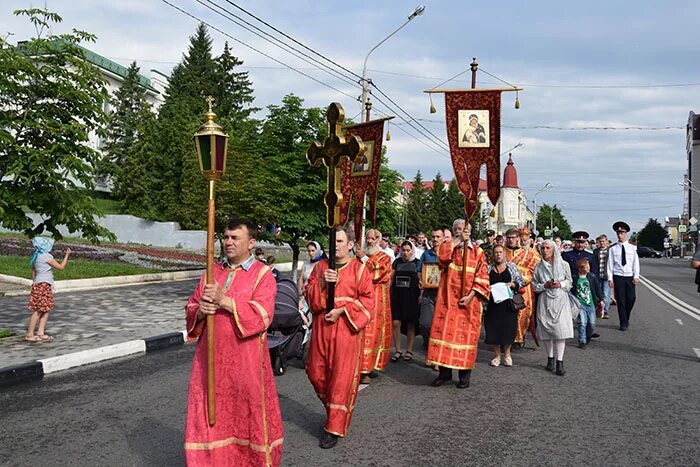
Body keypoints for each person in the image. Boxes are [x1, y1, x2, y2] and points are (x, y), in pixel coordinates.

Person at [184, 218, 283, 466]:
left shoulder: (263, 275)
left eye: (234, 238)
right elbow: (191, 306)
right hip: (210, 362)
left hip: (246, 363)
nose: (228, 242)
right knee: (208, 416)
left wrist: (223, 300)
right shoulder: (212, 271)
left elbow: (262, 316)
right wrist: (200, 311)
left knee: (244, 416)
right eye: (226, 237)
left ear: (250, 243)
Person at [305, 226, 374, 449]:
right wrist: (323, 283)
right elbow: (310, 297)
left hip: (345, 331)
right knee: (316, 373)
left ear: (351, 244)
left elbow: (369, 304)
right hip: (321, 330)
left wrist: (343, 309)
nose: (336, 246)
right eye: (333, 241)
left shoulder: (360, 270)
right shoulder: (320, 267)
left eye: (341, 241)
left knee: (340, 380)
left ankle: (333, 427)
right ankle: (335, 411)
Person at [426, 221, 490, 389]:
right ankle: (444, 374)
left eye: (463, 230)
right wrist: (456, 241)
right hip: (447, 301)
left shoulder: (478, 252)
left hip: (469, 303)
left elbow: (482, 278)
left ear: (470, 232)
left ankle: (464, 376)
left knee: (466, 338)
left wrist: (470, 296)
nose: (460, 233)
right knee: (444, 335)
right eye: (457, 230)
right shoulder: (449, 247)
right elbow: (441, 259)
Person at [355, 229, 393, 384]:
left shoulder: (385, 257)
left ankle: (368, 369)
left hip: (377, 302)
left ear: (378, 240)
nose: (369, 241)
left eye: (372, 239)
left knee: (373, 336)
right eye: (368, 238)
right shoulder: (359, 258)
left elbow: (379, 273)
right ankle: (360, 368)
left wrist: (364, 258)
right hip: (360, 300)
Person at [532, 239, 574, 376]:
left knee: (560, 331)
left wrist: (560, 284)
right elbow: (534, 285)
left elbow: (569, 282)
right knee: (547, 331)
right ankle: (550, 358)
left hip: (560, 300)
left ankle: (560, 362)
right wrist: (545, 285)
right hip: (545, 301)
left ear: (554, 249)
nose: (544, 251)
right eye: (542, 248)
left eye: (547, 248)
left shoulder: (564, 264)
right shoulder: (538, 267)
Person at [484, 245, 525, 367]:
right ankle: (497, 355)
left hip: (508, 304)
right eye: (496, 252)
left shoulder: (511, 267)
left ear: (504, 254)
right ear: (493, 254)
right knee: (493, 329)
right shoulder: (488, 268)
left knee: (509, 329)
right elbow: (483, 282)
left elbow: (521, 281)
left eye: (500, 252)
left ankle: (507, 354)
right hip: (493, 304)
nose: (498, 254)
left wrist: (513, 284)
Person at [26, 237, 70, 342]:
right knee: (38, 311)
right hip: (44, 286)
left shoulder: (36, 256)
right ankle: (29, 334)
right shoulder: (46, 256)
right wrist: (67, 255)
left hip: (38, 285)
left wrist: (35, 283)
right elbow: (61, 267)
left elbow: (34, 272)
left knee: (45, 310)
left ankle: (40, 332)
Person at [505, 228, 541, 348]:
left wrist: (519, 281)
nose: (511, 240)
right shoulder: (501, 252)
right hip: (504, 286)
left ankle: (519, 337)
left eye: (513, 238)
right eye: (508, 238)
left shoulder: (530, 254)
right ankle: (505, 337)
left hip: (523, 288)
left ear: (518, 239)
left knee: (522, 311)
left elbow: (533, 271)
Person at [390, 240, 422, 362]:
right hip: (397, 296)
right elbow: (390, 278)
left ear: (412, 251)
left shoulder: (417, 263)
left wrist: (421, 295)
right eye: (403, 250)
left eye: (408, 250)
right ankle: (398, 350)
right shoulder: (396, 262)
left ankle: (409, 350)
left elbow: (421, 281)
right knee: (396, 323)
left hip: (412, 297)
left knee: (410, 324)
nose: (406, 253)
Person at [606, 221, 640, 331]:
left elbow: (635, 262)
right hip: (618, 275)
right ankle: (623, 322)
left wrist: (636, 276)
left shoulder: (632, 248)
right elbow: (610, 264)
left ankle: (626, 316)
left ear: (626, 234)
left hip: (629, 276)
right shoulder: (612, 249)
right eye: (618, 233)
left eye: (622, 233)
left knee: (631, 299)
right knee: (620, 300)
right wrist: (610, 278)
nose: (620, 235)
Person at [419, 227, 444, 352]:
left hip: (443, 294)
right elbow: (419, 270)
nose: (435, 239)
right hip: (428, 293)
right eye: (433, 237)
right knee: (425, 323)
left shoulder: (448, 253)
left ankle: (436, 353)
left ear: (443, 238)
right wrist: (421, 280)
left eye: (438, 237)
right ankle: (428, 345)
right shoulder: (426, 254)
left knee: (440, 325)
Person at [572, 258, 604, 348]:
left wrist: (601, 299)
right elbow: (571, 290)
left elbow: (597, 289)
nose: (588, 268)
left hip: (590, 304)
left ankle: (588, 335)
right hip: (580, 305)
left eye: (588, 266)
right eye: (586, 267)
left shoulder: (592, 277)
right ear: (580, 268)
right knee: (582, 322)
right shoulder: (575, 278)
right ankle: (582, 340)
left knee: (592, 323)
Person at [298, 241, 327, 309]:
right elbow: (301, 278)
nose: (311, 253)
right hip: (305, 295)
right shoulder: (306, 263)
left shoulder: (323, 264)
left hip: (317, 296)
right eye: (309, 251)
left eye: (313, 251)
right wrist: (299, 291)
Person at [593, 234, 612, 318]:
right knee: (599, 294)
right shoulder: (596, 251)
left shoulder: (610, 251)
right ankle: (600, 309)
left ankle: (605, 311)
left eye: (603, 241)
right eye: (600, 241)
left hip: (607, 275)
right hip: (598, 275)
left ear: (607, 241)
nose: (602, 243)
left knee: (606, 294)